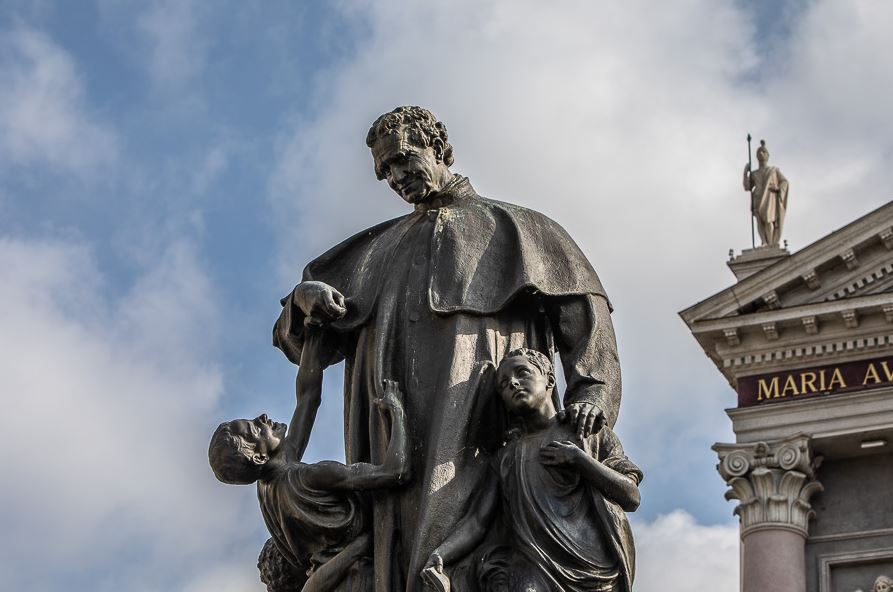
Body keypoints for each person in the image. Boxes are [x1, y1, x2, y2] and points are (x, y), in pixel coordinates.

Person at [273, 106, 622, 590]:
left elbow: (586, 319)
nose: (396, 177)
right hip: (389, 420)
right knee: (398, 544)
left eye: (403, 160)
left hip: (476, 414)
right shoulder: (376, 249)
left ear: (437, 148)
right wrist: (303, 300)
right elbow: (296, 335)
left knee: (470, 533)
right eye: (385, 171)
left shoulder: (519, 228)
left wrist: (593, 395)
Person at [421, 348, 641, 592]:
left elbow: (630, 496)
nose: (513, 383)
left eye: (522, 373)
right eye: (503, 384)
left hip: (596, 568)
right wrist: (441, 553)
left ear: (549, 379)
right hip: (533, 565)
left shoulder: (591, 433)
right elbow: (477, 522)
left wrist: (581, 460)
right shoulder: (506, 457)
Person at [209, 330, 409, 592]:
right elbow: (396, 471)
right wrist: (397, 411)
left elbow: (308, 397)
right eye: (256, 430)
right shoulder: (312, 478)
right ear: (258, 457)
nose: (263, 417)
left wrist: (315, 333)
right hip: (360, 581)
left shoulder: (269, 486)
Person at [743, 139, 789, 248]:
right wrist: (745, 172)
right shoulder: (754, 173)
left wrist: (778, 188)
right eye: (759, 152)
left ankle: (771, 243)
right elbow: (747, 187)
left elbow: (785, 182)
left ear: (767, 156)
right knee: (759, 221)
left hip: (769, 198)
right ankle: (763, 241)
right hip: (757, 198)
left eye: (763, 152)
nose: (761, 154)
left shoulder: (773, 170)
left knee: (768, 220)